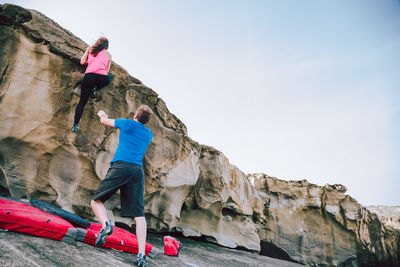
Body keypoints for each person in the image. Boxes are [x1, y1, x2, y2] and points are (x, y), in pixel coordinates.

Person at [90, 105, 153, 267]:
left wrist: (102, 113)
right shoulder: (148, 134)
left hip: (121, 166)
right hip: (137, 171)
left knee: (96, 201)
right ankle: (141, 255)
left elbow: (105, 121)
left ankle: (105, 226)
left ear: (136, 115)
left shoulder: (127, 123)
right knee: (139, 216)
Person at [72, 37, 112, 132]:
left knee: (82, 102)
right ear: (106, 46)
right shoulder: (109, 55)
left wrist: (87, 51)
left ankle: (75, 125)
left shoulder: (91, 49)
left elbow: (82, 62)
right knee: (108, 78)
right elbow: (107, 71)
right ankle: (95, 88)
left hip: (89, 76)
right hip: (102, 77)